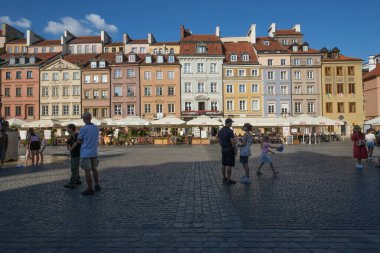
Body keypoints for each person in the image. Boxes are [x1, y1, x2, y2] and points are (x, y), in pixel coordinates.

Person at [78, 112, 101, 195]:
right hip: (94, 152)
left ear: (84, 119)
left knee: (87, 171)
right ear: (90, 118)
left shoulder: (83, 129)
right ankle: (97, 185)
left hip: (85, 153)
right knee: (94, 169)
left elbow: (79, 140)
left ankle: (90, 188)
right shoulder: (96, 128)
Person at [217, 118, 237, 184]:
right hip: (229, 150)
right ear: (228, 123)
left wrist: (222, 145)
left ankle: (224, 178)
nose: (231, 124)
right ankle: (228, 179)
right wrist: (235, 149)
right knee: (229, 165)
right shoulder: (230, 131)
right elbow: (233, 142)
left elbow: (218, 140)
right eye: (231, 122)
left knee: (223, 164)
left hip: (223, 149)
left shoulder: (220, 130)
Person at [64, 124, 82, 189]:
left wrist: (71, 148)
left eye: (67, 128)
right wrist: (69, 148)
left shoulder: (77, 136)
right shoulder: (70, 136)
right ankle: (78, 180)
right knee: (75, 167)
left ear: (71, 129)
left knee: (74, 168)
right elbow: (67, 143)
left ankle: (72, 183)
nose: (66, 129)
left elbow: (77, 143)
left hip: (77, 154)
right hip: (73, 154)